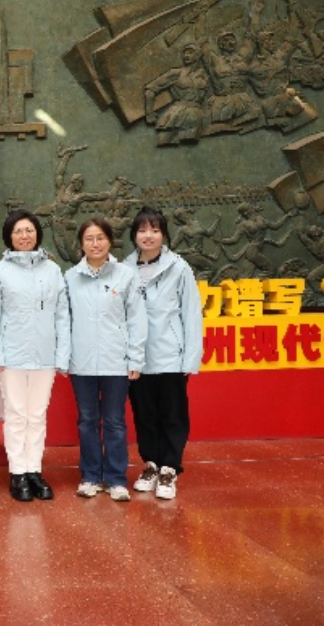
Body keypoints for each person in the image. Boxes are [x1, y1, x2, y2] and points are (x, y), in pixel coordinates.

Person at [0, 210, 71, 502]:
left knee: (37, 415)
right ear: (9, 236)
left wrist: (62, 355)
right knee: (16, 414)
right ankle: (17, 472)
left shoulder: (52, 270)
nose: (24, 236)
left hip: (45, 355)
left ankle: (34, 470)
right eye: (18, 231)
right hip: (12, 356)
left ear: (37, 234)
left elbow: (62, 316)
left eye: (29, 230)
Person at [65, 218, 147, 502]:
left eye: (100, 237)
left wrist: (135, 358)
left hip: (116, 361)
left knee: (114, 421)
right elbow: (64, 320)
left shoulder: (126, 276)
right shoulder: (70, 277)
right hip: (81, 362)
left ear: (110, 241)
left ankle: (115, 479)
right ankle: (90, 477)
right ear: (81, 244)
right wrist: (64, 357)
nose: (95, 244)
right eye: (89, 238)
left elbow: (136, 318)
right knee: (87, 420)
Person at [125, 207, 203, 500]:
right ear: (134, 235)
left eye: (155, 230)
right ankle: (151, 465)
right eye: (143, 230)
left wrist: (190, 358)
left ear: (164, 235)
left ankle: (170, 468)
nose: (149, 236)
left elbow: (191, 313)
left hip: (170, 355)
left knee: (172, 415)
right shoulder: (124, 269)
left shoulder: (179, 268)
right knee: (144, 414)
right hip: (138, 358)